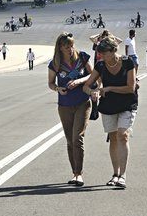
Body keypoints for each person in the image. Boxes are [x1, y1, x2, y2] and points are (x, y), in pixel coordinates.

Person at [83, 35, 138, 189]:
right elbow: (86, 86)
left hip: (127, 103)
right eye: (100, 54)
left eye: (105, 53)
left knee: (123, 135)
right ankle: (115, 174)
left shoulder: (127, 62)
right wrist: (92, 92)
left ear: (114, 51)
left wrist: (109, 88)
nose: (102, 56)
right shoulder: (100, 65)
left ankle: (123, 175)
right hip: (109, 106)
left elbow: (130, 87)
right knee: (113, 138)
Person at [48, 33, 93, 187]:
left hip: (82, 102)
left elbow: (93, 75)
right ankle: (74, 173)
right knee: (69, 140)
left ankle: (79, 174)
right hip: (64, 105)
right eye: (66, 47)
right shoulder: (55, 63)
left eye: (72, 45)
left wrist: (79, 81)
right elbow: (50, 83)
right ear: (60, 48)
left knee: (77, 138)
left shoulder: (82, 57)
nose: (70, 49)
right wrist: (58, 89)